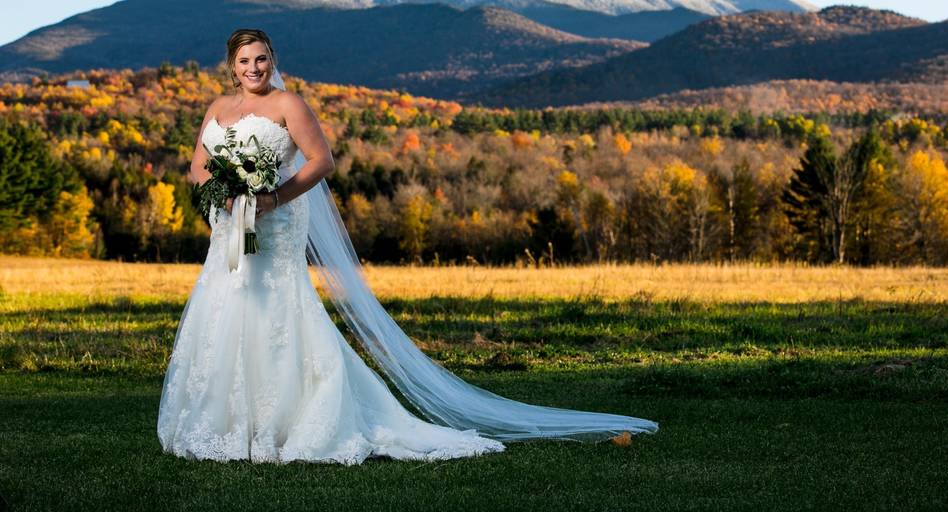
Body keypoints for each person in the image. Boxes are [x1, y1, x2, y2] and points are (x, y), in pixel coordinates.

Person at [157, 28, 657, 465]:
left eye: (261, 58)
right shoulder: (220, 108)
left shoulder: (289, 105)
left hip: (276, 222)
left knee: (279, 311)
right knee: (227, 307)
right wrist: (223, 197)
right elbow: (199, 165)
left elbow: (321, 160)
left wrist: (272, 197)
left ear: (273, 60)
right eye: (244, 61)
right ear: (231, 67)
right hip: (228, 225)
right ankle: (225, 424)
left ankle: (292, 419)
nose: (253, 68)